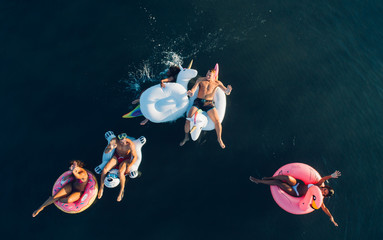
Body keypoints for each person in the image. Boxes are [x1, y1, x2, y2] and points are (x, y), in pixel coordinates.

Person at [249, 170, 341, 226]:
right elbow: (323, 179)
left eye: (325, 193)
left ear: (325, 195)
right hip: (297, 184)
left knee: (279, 183)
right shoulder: (318, 185)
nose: (323, 191)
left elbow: (324, 208)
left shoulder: (318, 198)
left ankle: (258, 181)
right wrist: (331, 176)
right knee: (286, 177)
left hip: (295, 192)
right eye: (325, 189)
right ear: (325, 187)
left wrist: (331, 217)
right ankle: (269, 177)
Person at [179, 67, 232, 148]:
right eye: (207, 74)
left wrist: (228, 90)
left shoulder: (217, 83)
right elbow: (194, 89)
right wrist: (191, 92)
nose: (207, 76)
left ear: (214, 76)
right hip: (198, 102)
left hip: (208, 103)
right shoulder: (200, 80)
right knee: (188, 120)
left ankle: (219, 139)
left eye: (210, 75)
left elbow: (226, 92)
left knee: (217, 122)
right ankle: (186, 137)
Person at [97, 133, 137, 202]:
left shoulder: (130, 144)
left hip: (126, 159)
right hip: (116, 156)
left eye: (124, 141)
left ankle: (121, 190)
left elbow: (135, 157)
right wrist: (110, 148)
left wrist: (129, 167)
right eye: (121, 142)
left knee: (121, 172)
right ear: (118, 140)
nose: (124, 143)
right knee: (105, 170)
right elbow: (106, 151)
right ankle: (101, 187)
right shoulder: (114, 141)